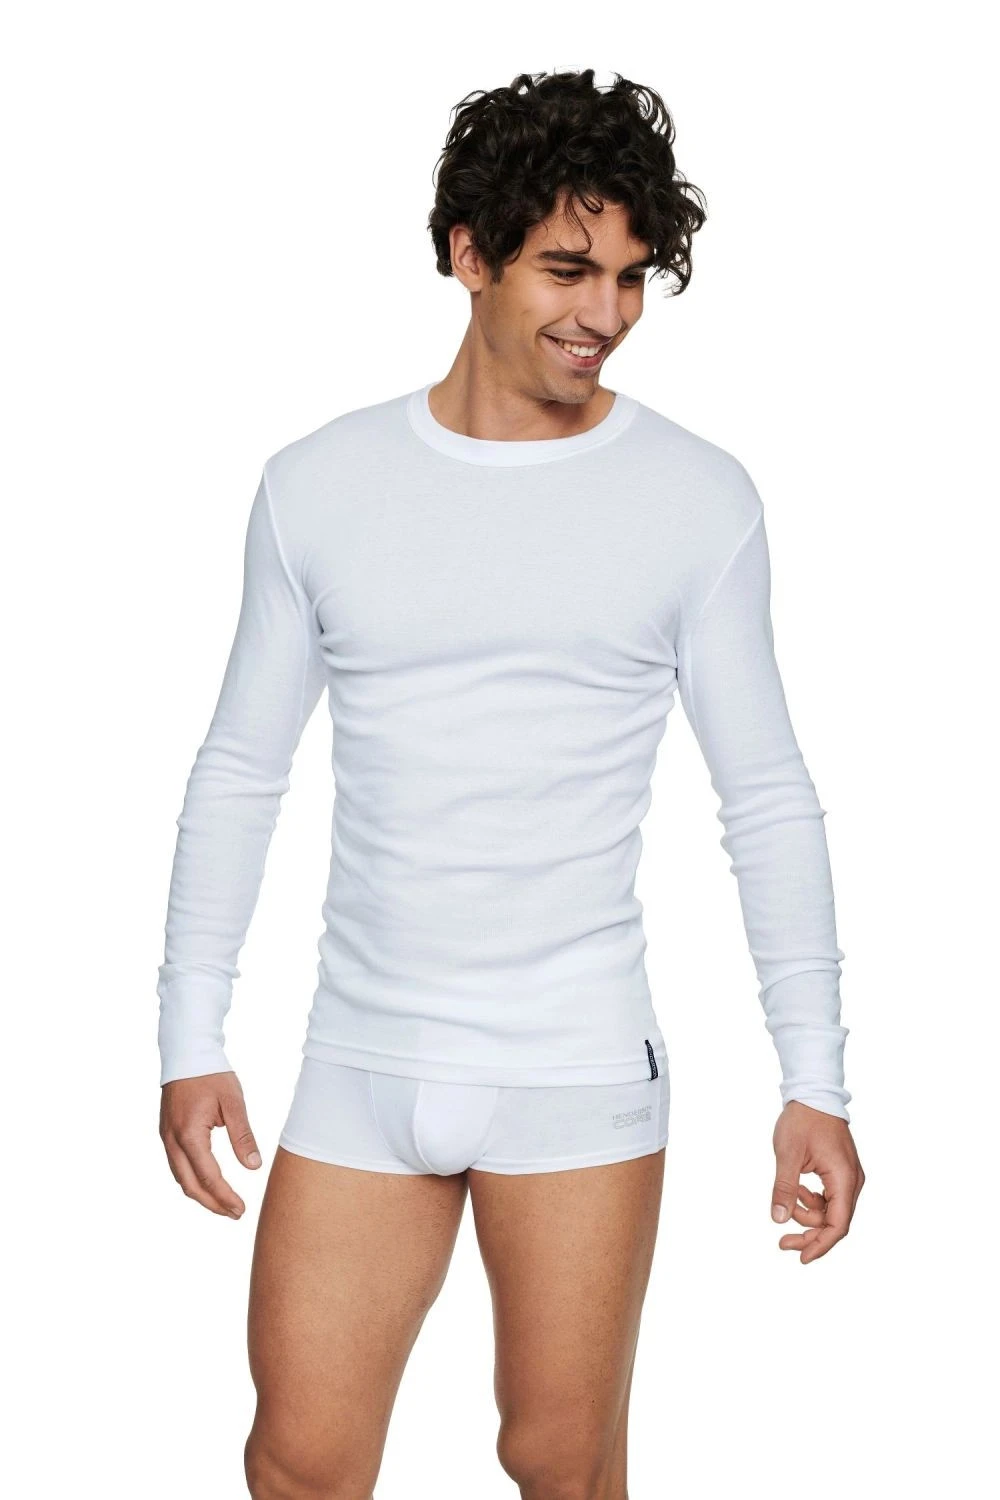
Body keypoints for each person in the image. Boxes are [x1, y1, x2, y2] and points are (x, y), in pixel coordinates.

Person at [156, 68, 865, 1500]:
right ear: (469, 253)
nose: (606, 312)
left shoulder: (697, 498)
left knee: (558, 1462)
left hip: (576, 1064)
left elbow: (768, 797)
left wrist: (817, 1080)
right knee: (298, 1461)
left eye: (631, 276)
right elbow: (240, 769)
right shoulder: (319, 484)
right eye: (567, 268)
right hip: (364, 1057)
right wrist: (189, 1032)